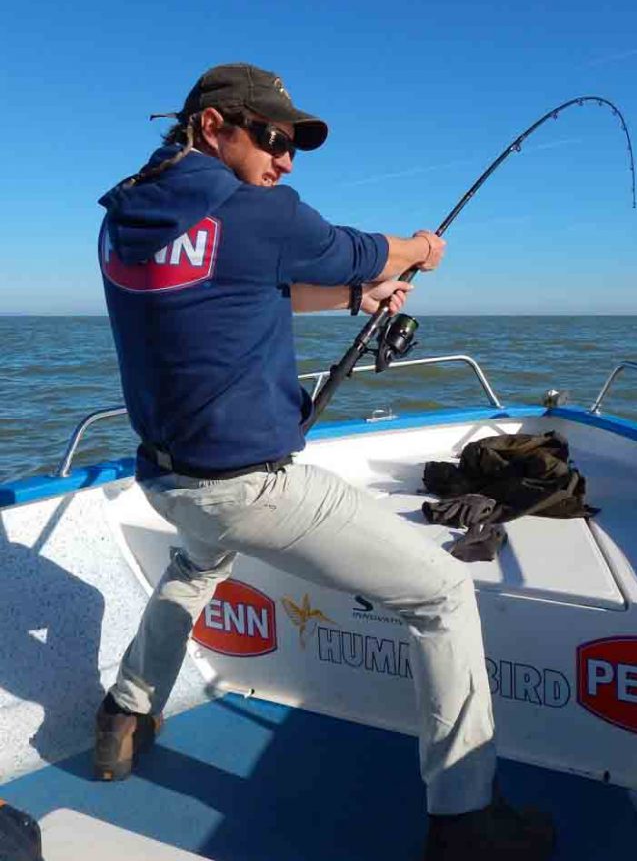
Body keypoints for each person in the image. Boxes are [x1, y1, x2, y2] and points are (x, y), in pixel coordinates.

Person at [95, 63, 554, 860]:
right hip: (248, 484)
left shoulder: (130, 215)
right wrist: (417, 250)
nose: (286, 158)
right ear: (212, 127)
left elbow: (240, 284)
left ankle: (123, 718)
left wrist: (354, 302)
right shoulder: (257, 208)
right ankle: (465, 821)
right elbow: (352, 249)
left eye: (294, 144)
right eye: (272, 136)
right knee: (443, 593)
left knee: (197, 566)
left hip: (168, 478)